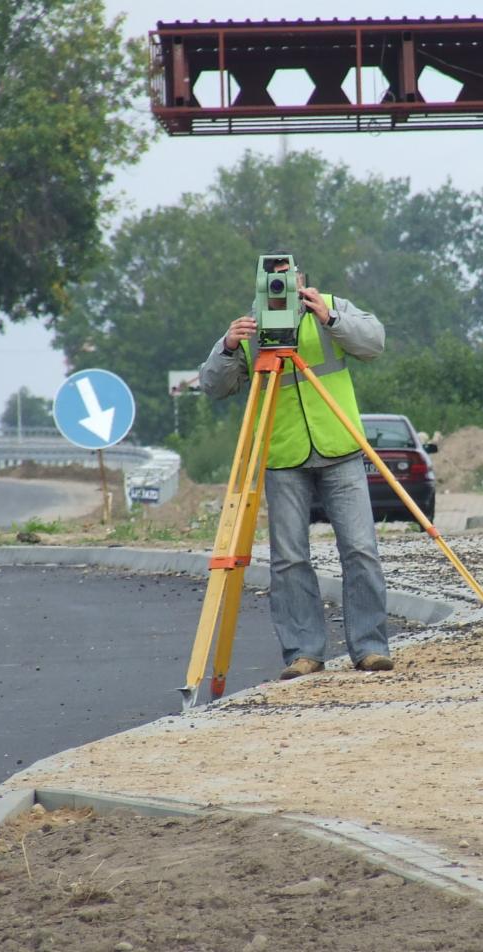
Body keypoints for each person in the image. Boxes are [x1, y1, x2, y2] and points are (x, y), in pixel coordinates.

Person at [198, 252, 393, 680]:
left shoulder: (330, 306)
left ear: (303, 280)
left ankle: (370, 647)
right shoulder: (249, 327)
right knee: (288, 559)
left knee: (361, 550)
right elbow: (213, 385)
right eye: (272, 281)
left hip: (340, 445)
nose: (280, 288)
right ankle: (303, 652)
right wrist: (228, 346)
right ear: (259, 285)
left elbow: (374, 343)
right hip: (283, 455)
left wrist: (330, 319)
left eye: (287, 280)